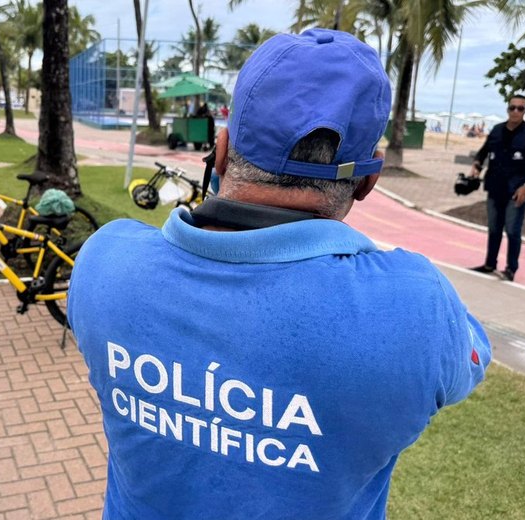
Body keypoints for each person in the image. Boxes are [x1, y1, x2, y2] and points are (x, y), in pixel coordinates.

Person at [67, 29, 490, 519]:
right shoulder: (416, 307)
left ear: (221, 152)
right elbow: (469, 360)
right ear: (369, 182)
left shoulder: (105, 263)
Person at [468, 94, 525, 282]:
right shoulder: (496, 130)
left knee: (512, 230)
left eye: (520, 108)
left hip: (517, 191)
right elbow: (482, 153)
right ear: (507, 109)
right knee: (494, 228)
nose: (515, 112)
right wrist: (476, 167)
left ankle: (511, 269)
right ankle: (489, 264)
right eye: (512, 108)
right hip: (495, 188)